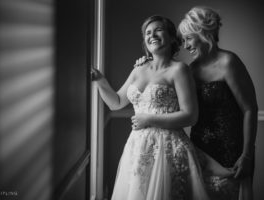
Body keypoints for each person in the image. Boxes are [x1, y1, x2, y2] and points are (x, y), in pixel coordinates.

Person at [92, 15, 233, 200]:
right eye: (148, 33)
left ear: (172, 38)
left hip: (168, 150)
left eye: (158, 30)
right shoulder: (138, 70)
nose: (152, 35)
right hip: (138, 149)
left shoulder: (179, 70)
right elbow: (116, 102)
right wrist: (100, 80)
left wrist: (148, 119)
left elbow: (190, 116)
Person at [135, 6, 258, 200]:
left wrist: (247, 155)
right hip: (199, 150)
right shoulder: (189, 70)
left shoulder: (229, 62)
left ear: (203, 34)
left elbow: (250, 109)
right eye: (182, 40)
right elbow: (167, 99)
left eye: (188, 38)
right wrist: (146, 64)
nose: (185, 45)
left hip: (232, 150)